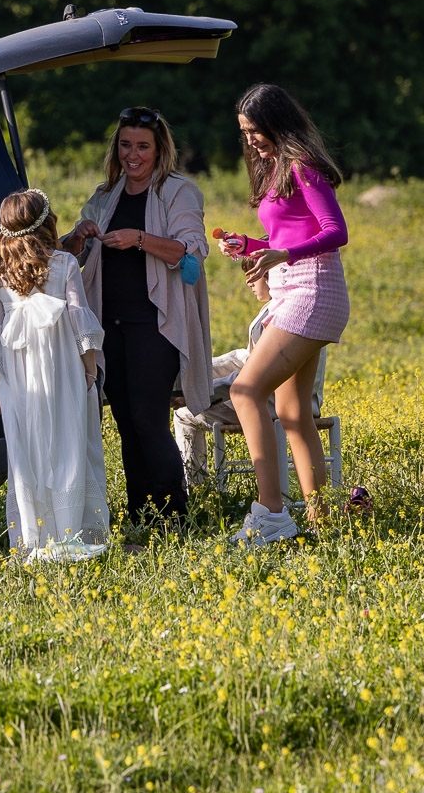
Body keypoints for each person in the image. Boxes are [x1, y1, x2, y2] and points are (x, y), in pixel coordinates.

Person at [60, 106, 212, 525]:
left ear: (159, 149)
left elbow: (189, 250)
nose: (133, 154)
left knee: (148, 417)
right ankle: (141, 515)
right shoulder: (106, 195)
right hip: (111, 324)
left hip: (155, 323)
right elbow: (66, 251)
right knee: (126, 421)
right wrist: (78, 235)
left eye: (142, 146)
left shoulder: (178, 192)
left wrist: (139, 239)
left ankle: (174, 514)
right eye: (126, 145)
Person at [215, 83, 348, 543]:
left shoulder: (302, 165)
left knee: (245, 390)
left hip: (313, 293)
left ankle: (271, 514)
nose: (250, 139)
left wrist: (282, 254)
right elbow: (283, 241)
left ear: (276, 123)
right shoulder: (275, 170)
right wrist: (249, 246)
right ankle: (324, 525)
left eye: (254, 130)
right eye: (244, 132)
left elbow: (335, 232)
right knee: (293, 414)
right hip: (294, 291)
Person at [0, 190, 110, 560]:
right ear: (48, 223)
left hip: (18, 379)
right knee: (69, 442)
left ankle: (36, 537)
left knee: (28, 449)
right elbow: (78, 319)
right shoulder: (65, 264)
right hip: (63, 371)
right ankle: (72, 530)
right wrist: (90, 370)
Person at [172, 270, 328, 485]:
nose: (248, 282)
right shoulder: (279, 309)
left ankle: (196, 488)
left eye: (255, 276)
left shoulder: (284, 315)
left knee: (184, 413)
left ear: (273, 276)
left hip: (273, 404)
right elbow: (246, 359)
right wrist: (198, 371)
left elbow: (256, 373)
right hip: (277, 399)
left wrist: (202, 391)